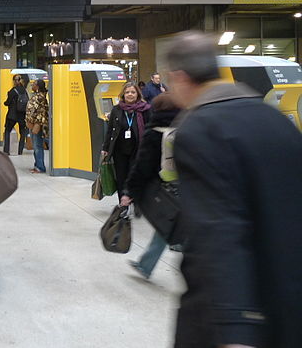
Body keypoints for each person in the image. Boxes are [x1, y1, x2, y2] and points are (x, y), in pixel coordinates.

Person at [165, 31, 302, 348]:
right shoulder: (275, 118)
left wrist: (234, 327)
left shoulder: (199, 128)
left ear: (180, 77)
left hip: (230, 318)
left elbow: (218, 230)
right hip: (287, 300)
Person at [118, 93, 182, 279]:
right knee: (170, 224)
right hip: (189, 186)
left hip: (165, 186)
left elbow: (142, 166)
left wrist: (129, 191)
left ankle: (146, 265)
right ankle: (146, 265)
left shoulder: (154, 132)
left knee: (166, 224)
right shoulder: (186, 128)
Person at [101, 82, 151, 201]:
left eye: (133, 92)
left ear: (137, 94)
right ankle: (122, 204)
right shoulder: (117, 110)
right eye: (127, 92)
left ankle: (134, 202)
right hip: (119, 151)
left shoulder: (145, 109)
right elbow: (110, 130)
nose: (130, 94)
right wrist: (105, 148)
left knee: (134, 177)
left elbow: (150, 129)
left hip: (137, 149)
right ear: (123, 94)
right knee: (121, 178)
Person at [25, 79, 49, 174]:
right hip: (32, 124)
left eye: (34, 84)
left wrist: (37, 124)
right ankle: (37, 165)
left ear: (38, 86)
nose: (32, 86)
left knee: (38, 145)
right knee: (35, 146)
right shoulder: (36, 96)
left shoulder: (41, 97)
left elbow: (42, 112)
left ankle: (40, 167)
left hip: (37, 125)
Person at [2, 74, 29, 155]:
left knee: (7, 130)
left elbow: (7, 102)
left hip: (12, 115)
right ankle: (20, 150)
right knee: (22, 133)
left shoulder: (12, 91)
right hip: (22, 115)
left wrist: (5, 103)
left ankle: (7, 150)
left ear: (14, 81)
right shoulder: (24, 90)